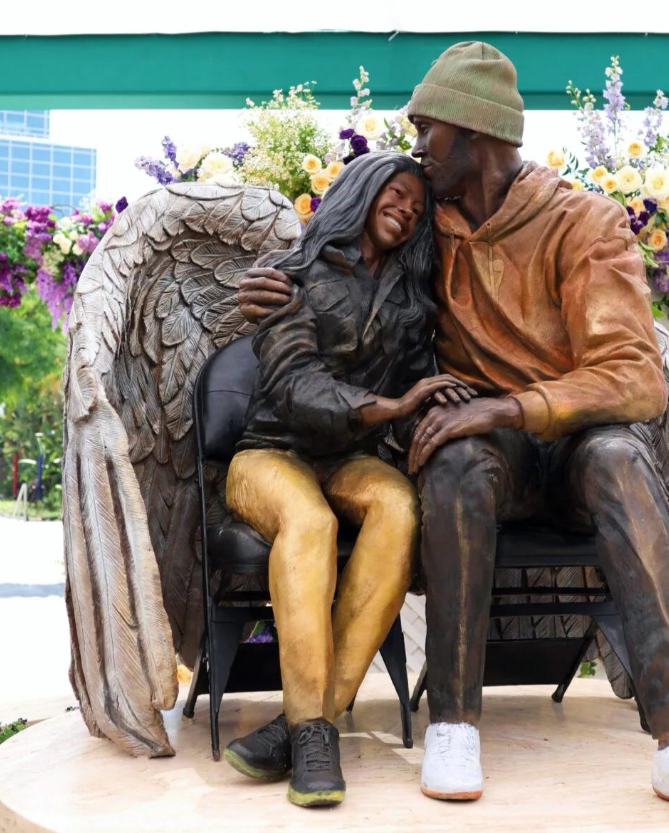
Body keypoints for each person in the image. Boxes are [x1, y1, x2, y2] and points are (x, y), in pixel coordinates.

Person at [239, 42, 669, 817]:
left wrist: (502, 406)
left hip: (581, 442)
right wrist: (275, 282)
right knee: (455, 461)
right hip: (491, 455)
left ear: (471, 132)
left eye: (427, 129)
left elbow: (633, 377)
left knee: (618, 460)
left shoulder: (583, 222)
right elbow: (346, 251)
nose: (417, 145)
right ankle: (452, 724)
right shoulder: (429, 227)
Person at [224, 150, 475, 808]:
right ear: (363, 191)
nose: (407, 211)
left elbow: (418, 385)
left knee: (398, 505)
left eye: (417, 208)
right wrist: (391, 405)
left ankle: (306, 726)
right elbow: (295, 385)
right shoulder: (290, 272)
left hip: (347, 458)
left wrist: (440, 407)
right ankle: (314, 732)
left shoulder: (411, 301)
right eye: (396, 195)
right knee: (309, 521)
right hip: (269, 452)